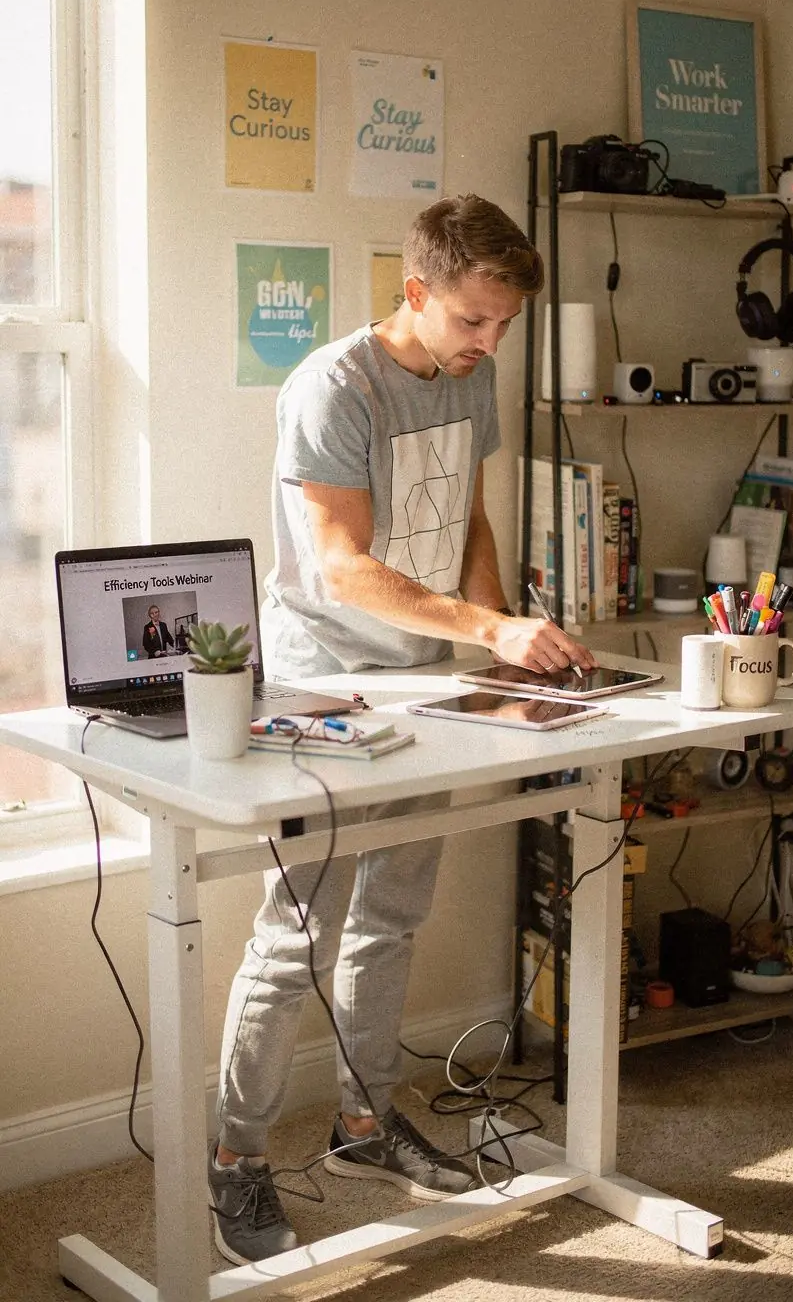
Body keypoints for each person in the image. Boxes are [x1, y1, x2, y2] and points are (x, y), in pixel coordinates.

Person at [209, 194, 596, 1266]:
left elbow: (466, 509)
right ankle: (236, 1161)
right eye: (474, 321)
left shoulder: (473, 369)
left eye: (504, 325)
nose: (490, 343)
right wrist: (489, 625)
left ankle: (365, 1123)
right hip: (325, 690)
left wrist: (492, 644)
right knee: (295, 939)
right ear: (416, 292)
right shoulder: (331, 388)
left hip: (427, 679)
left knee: (392, 917)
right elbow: (339, 564)